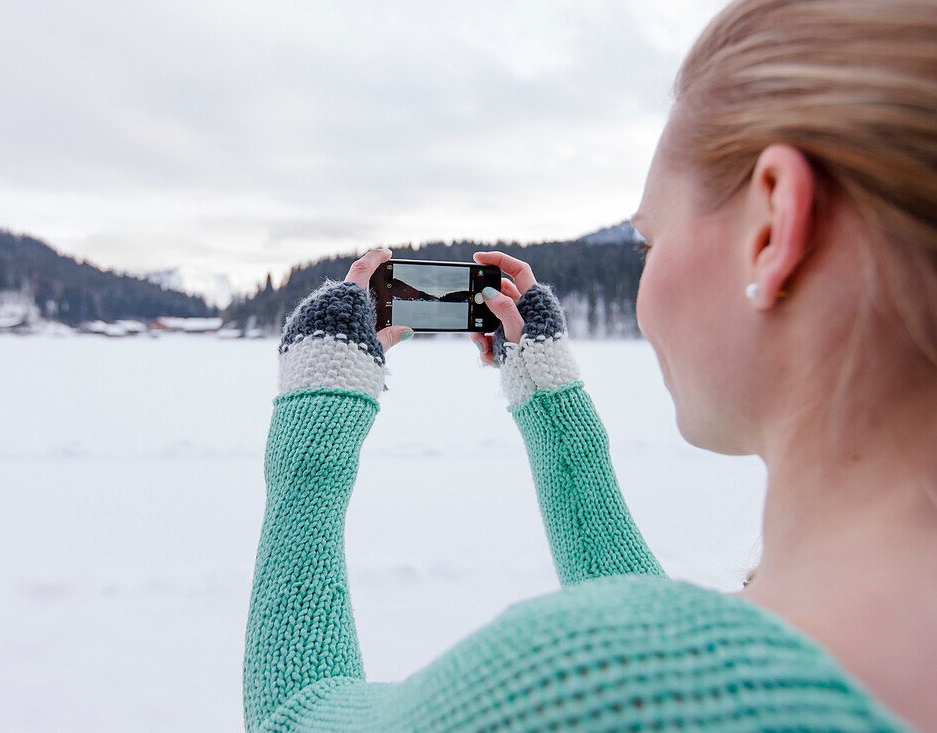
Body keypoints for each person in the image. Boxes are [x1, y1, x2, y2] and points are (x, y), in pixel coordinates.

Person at [241, 0, 936, 729]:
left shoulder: (593, 689)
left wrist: (313, 430)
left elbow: (295, 714)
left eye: (647, 242)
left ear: (774, 227)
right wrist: (554, 411)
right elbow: (668, 639)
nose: (643, 279)